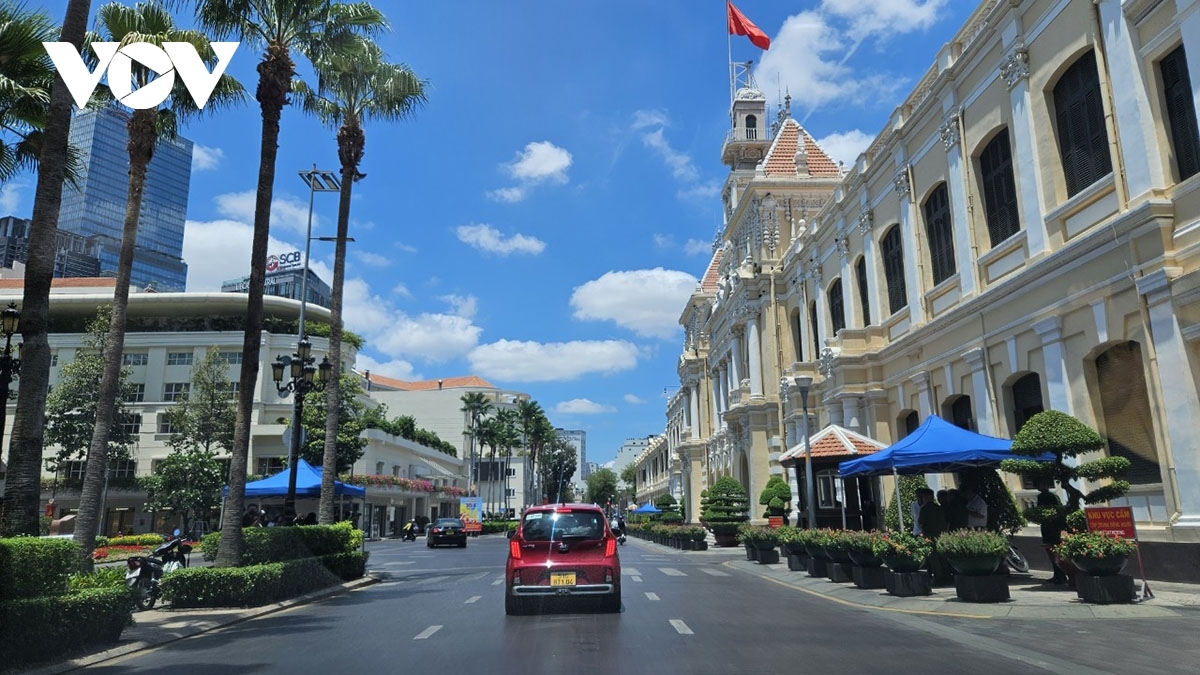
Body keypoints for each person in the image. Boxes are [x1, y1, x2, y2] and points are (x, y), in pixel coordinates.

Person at [1036, 479, 1069, 585]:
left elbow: (1042, 511)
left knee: (1052, 549)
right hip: (1052, 526)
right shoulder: (1052, 496)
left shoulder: (1045, 497)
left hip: (1049, 527)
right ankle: (1058, 574)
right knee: (1052, 549)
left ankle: (1060, 574)